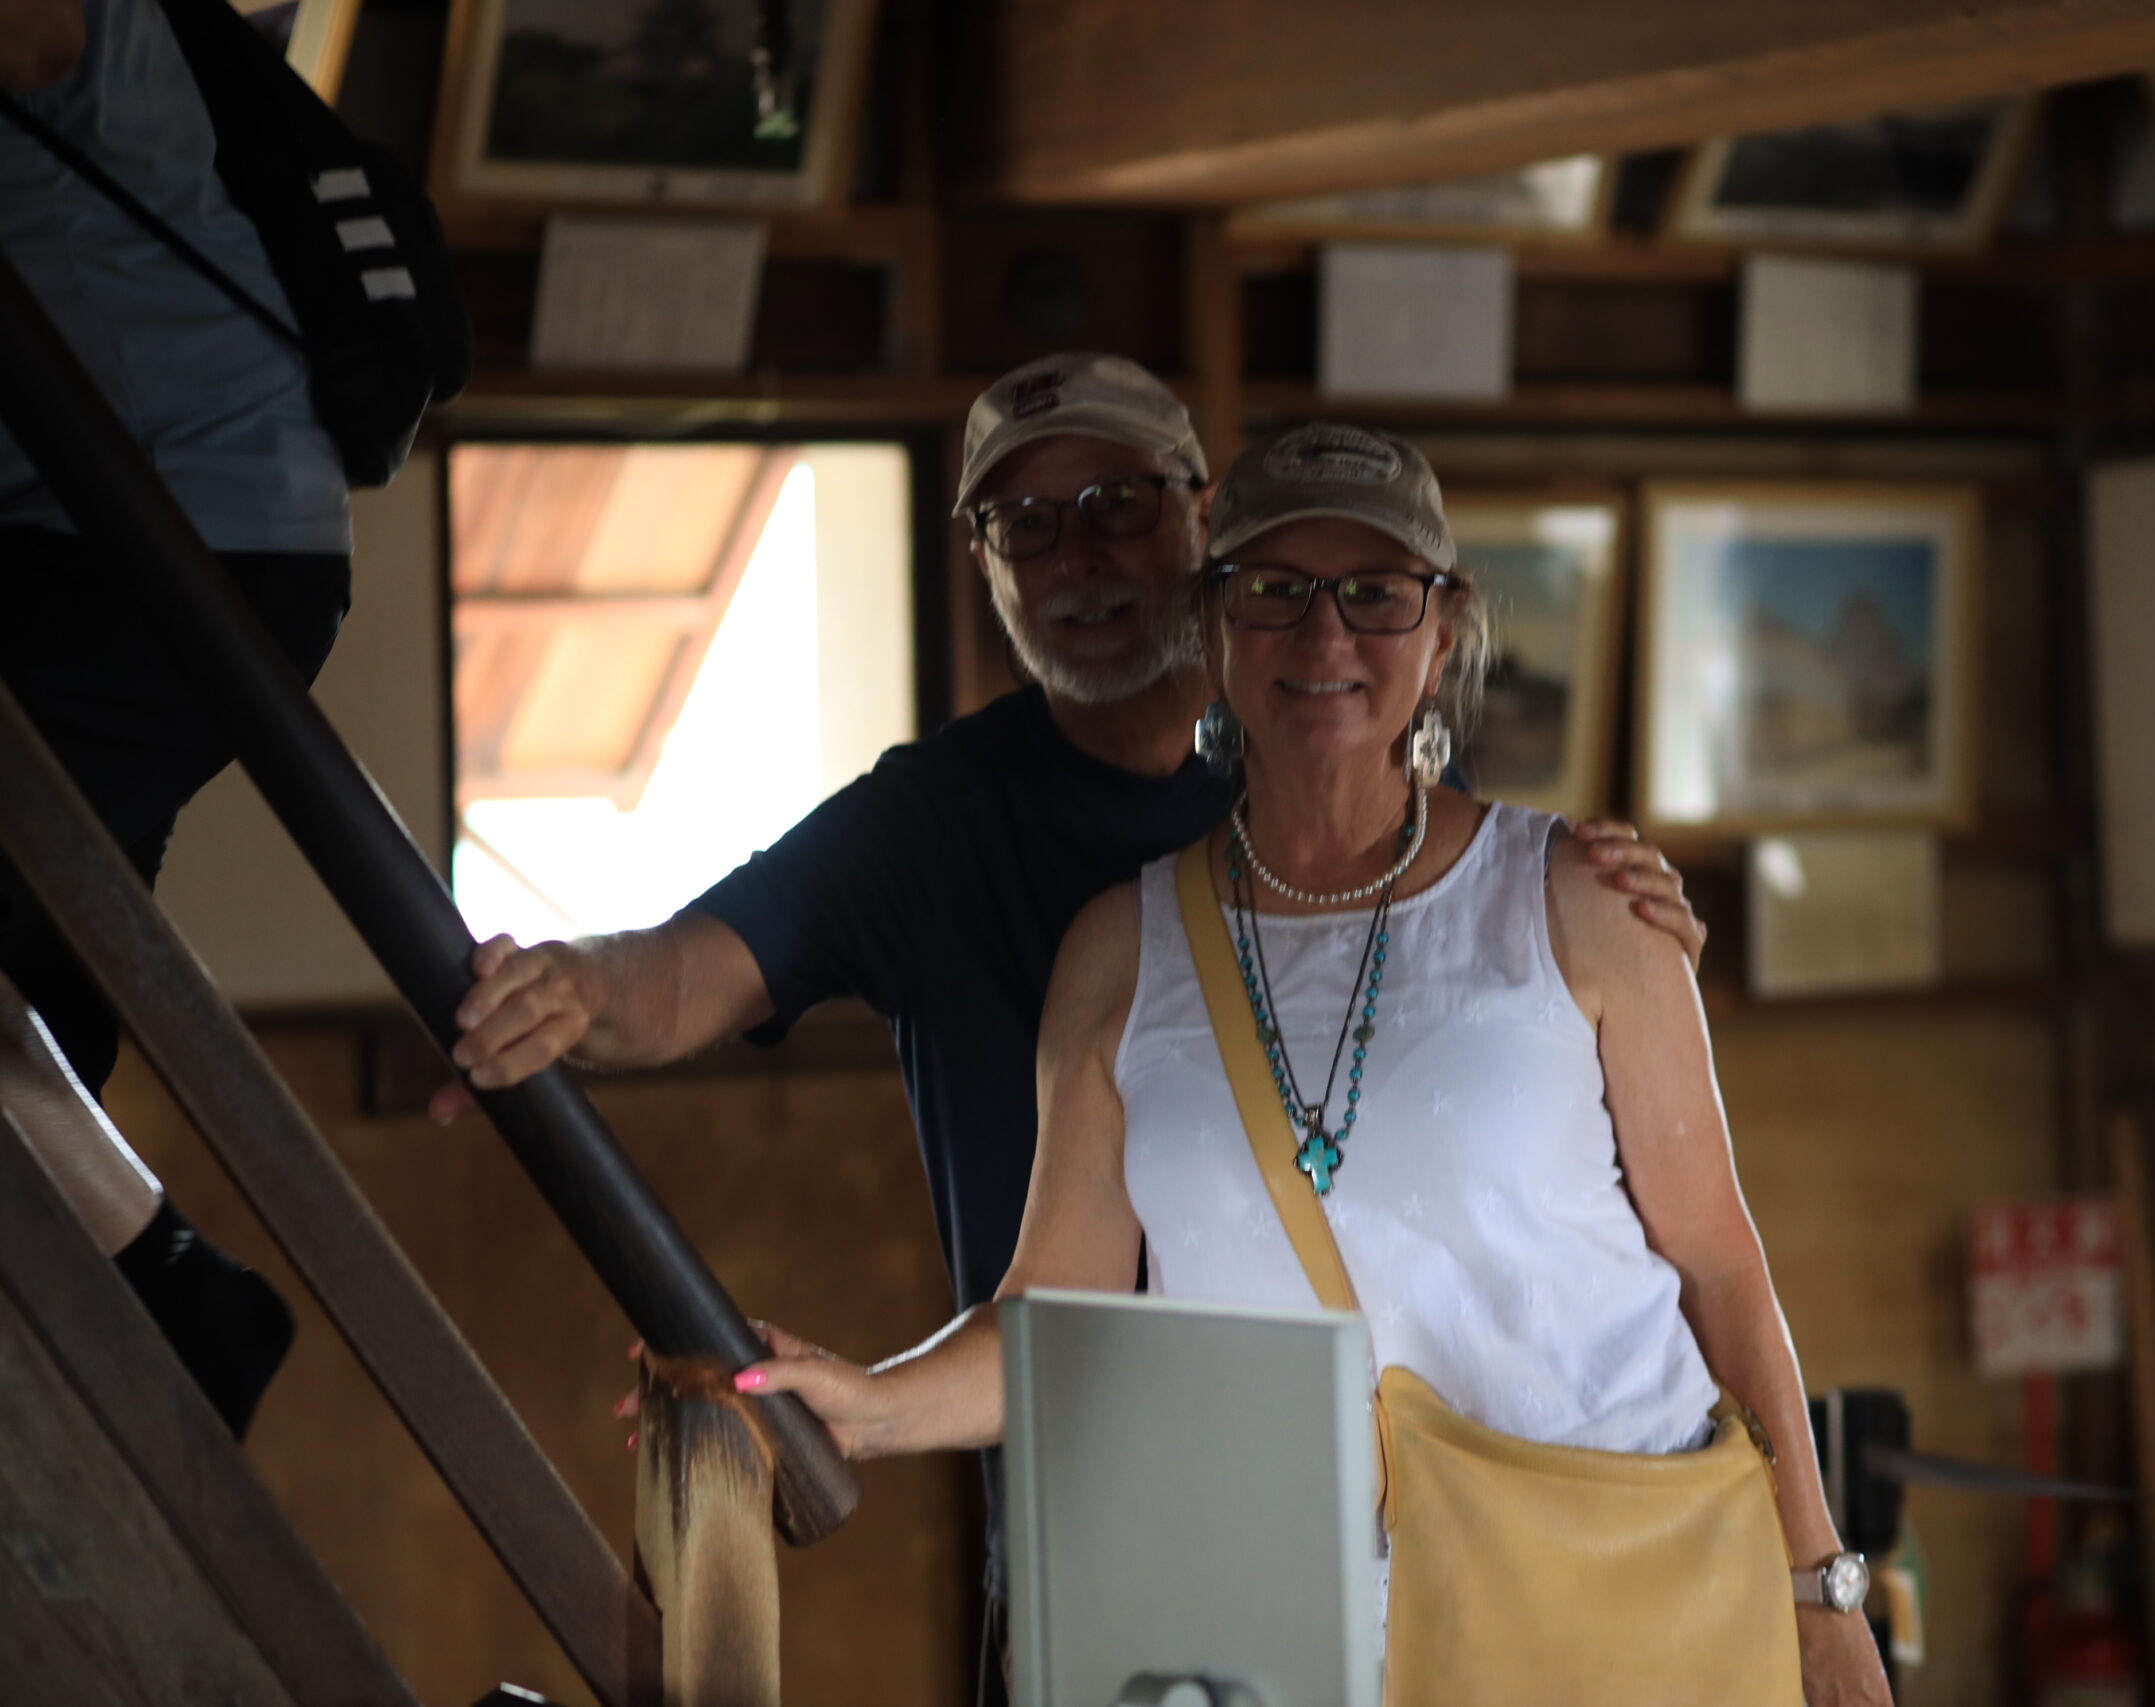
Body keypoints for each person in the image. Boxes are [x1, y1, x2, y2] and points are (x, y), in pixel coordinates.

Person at [442, 355, 1706, 1659]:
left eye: (1115, 502)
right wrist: (566, 988)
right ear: (984, 560)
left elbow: (1633, 1189)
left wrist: (1634, 920)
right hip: (1106, 1509)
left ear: (1201, 519)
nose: (1074, 558)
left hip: (1460, 1517)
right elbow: (685, 974)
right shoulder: (939, 824)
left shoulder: (1339, 746)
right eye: (1024, 523)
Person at [719, 423, 1894, 1704]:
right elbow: (1058, 1315)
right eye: (1274, 592)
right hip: (1302, 1643)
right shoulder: (1121, 949)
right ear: (1212, 632)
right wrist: (866, 1404)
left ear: (1440, 633)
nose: (1324, 640)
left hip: (1603, 1598)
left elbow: (1719, 1265)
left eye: (1374, 596)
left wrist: (1818, 1589)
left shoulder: (1578, 899)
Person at [1, 0, 355, 1434]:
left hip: (169, 536)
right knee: (43, 968)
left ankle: (170, 1286)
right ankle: (124, 1275)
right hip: (102, 537)